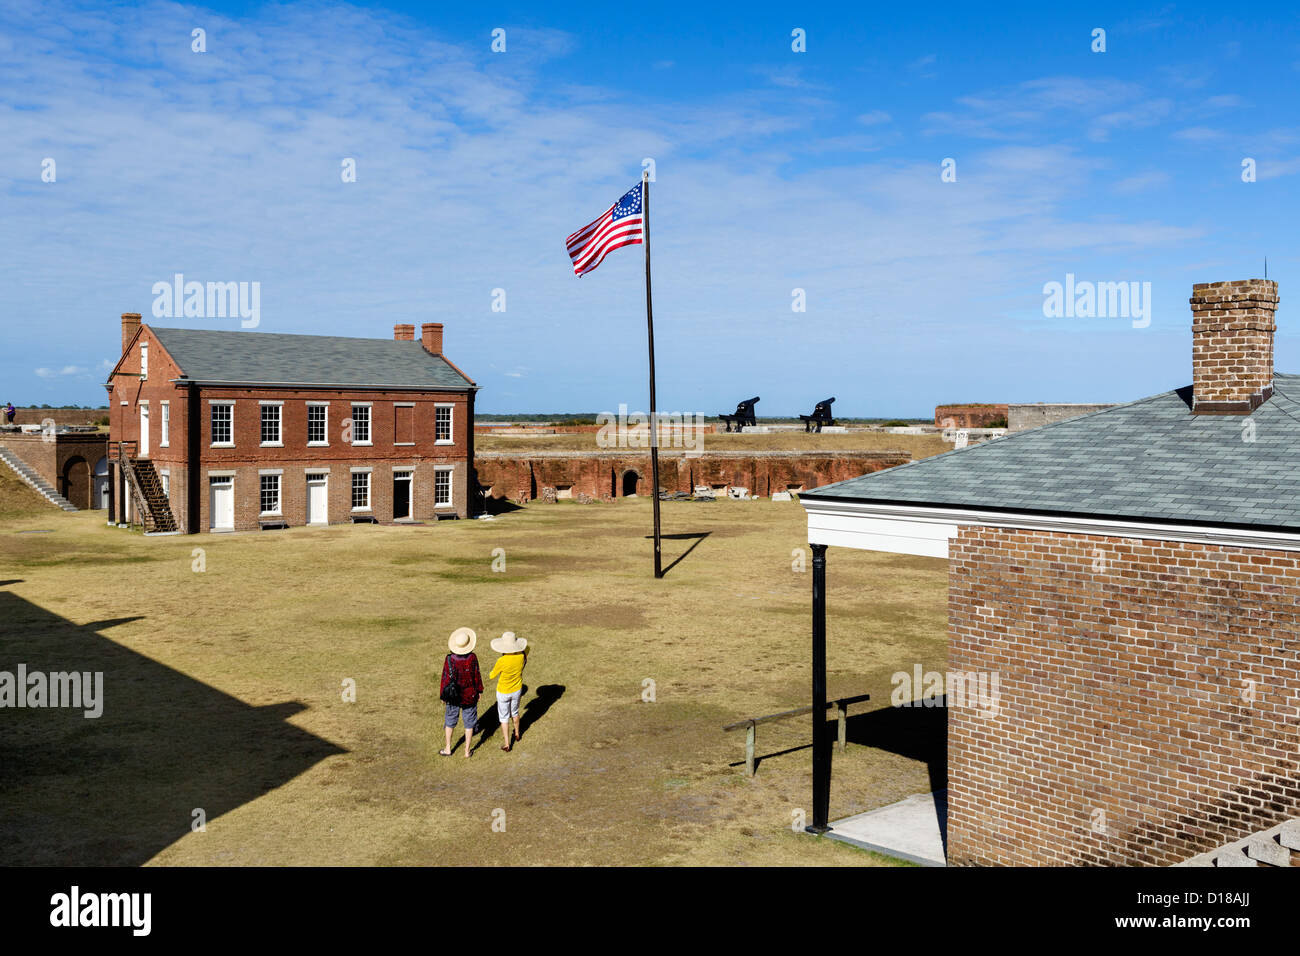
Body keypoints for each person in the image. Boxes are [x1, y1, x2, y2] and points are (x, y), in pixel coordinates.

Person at [440, 627, 483, 758]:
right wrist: (479, 690)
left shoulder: (449, 659)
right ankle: (467, 751)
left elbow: (445, 678)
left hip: (453, 696)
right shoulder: (473, 658)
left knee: (450, 720)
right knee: (469, 723)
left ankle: (448, 748)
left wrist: (443, 695)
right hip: (470, 695)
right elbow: (477, 675)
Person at [489, 631, 528, 752]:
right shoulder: (522, 656)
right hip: (517, 690)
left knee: (504, 717)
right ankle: (517, 733)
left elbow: (491, 675)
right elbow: (527, 649)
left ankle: (507, 744)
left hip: (503, 691)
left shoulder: (502, 661)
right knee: (515, 712)